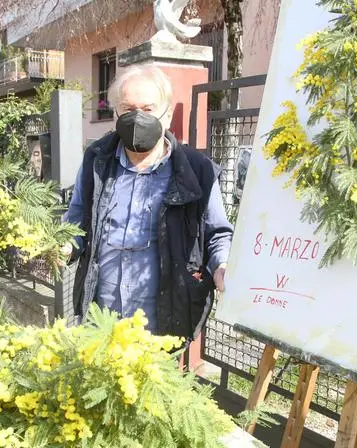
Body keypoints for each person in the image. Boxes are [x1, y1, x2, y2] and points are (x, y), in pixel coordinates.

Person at [63, 63, 233, 341]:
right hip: (99, 320)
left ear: (166, 116)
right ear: (116, 114)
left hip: (163, 324)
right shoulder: (97, 160)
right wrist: (64, 245)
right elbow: (78, 217)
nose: (137, 118)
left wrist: (221, 267)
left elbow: (217, 234)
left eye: (148, 109)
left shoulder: (197, 170)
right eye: (128, 110)